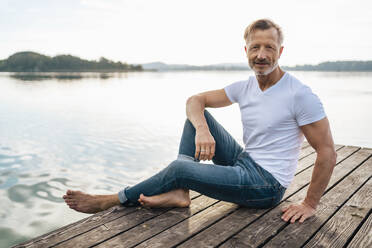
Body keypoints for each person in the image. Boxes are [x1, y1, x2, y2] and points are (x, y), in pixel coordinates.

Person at [63, 19, 337, 224]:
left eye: (269, 47)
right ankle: (181, 193)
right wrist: (203, 130)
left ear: (281, 51)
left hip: (266, 186)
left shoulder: (299, 94)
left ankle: (110, 200)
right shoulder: (245, 87)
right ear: (246, 51)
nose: (261, 55)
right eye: (255, 47)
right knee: (198, 118)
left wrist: (310, 203)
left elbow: (327, 151)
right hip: (246, 162)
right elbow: (195, 100)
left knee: (180, 167)